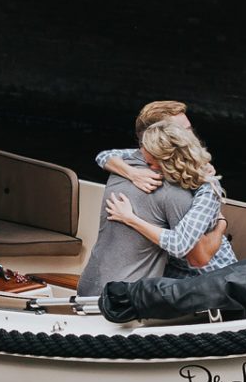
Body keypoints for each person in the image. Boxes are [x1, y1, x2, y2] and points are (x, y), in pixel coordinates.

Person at [102, 119, 239, 281]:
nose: (148, 168)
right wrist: (132, 173)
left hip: (213, 274)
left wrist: (130, 219)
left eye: (151, 164)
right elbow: (105, 156)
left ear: (169, 159)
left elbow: (181, 246)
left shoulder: (207, 188)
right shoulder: (156, 162)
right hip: (175, 271)